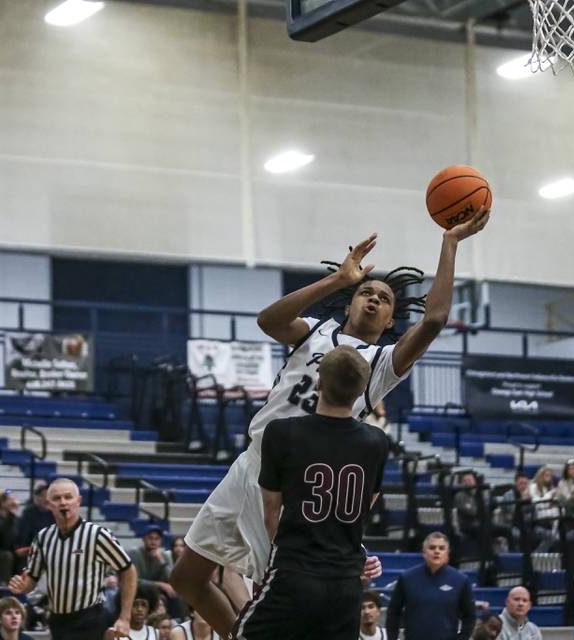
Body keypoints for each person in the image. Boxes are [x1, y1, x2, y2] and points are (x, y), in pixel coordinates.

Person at [171, 209, 490, 637]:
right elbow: (268, 321)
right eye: (366, 292)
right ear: (352, 301)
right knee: (187, 579)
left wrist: (449, 244)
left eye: (384, 298)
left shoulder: (381, 363)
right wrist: (338, 279)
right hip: (251, 462)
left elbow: (433, 320)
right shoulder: (316, 331)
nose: (373, 298)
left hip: (291, 487)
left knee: (279, 595)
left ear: (392, 320)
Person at [233, 346, 391, 638]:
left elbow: (271, 516)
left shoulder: (281, 433)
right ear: (360, 392)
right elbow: (365, 507)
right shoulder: (376, 441)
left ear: (318, 381)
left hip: (295, 572)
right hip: (346, 585)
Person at [7, 477, 138, 640]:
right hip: (57, 620)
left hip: (89, 618)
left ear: (78, 501)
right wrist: (22, 586)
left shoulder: (96, 535)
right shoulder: (43, 537)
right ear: (48, 504)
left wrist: (125, 617)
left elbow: (128, 570)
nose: (63, 502)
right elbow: (32, 579)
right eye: (56, 498)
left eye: (68, 497)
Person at [385, 532, 476, 640]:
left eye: (441, 548)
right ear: (424, 552)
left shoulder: (461, 580)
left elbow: (470, 616)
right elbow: (393, 613)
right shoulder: (407, 578)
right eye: (432, 547)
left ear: (447, 553)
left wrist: (462, 638)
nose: (436, 551)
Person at [129, 525, 177, 602]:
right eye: (150, 538)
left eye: (157, 539)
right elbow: (135, 581)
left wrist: (162, 562)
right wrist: (160, 585)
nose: (153, 542)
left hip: (158, 593)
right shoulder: (134, 554)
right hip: (139, 591)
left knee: (175, 595)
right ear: (144, 539)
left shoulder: (164, 556)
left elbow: (170, 579)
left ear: (161, 541)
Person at [16, 481, 54, 551]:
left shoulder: (55, 513)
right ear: (36, 498)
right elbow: (25, 537)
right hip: (32, 548)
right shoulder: (28, 512)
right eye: (44, 496)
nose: (47, 499)